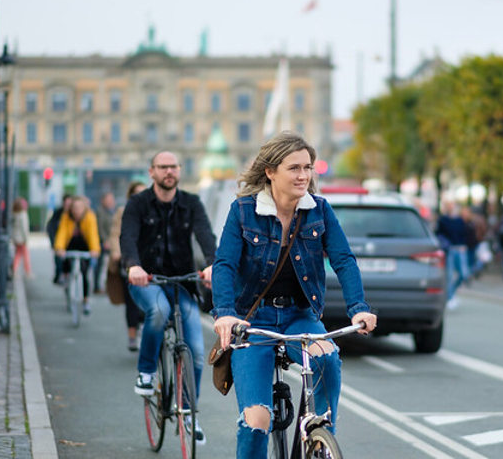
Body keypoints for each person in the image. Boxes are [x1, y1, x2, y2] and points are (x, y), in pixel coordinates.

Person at [211, 132, 377, 459]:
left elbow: (343, 260)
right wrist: (225, 312)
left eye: (308, 167)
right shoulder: (244, 210)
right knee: (257, 420)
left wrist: (358, 308)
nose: (303, 175)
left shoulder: (319, 210)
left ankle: (318, 434)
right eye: (294, 168)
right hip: (252, 320)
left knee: (327, 355)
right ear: (270, 171)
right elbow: (225, 264)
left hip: (299, 315)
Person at [120, 151, 216, 444]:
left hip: (181, 283)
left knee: (197, 351)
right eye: (163, 167)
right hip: (146, 280)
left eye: (173, 166)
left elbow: (205, 235)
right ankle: (147, 372)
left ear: (180, 169)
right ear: (152, 172)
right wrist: (133, 265)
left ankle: (188, 411)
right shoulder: (137, 204)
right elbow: (127, 237)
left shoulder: (191, 203)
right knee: (159, 312)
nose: (169, 171)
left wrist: (213, 264)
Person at [108, 181, 146, 351]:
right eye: (136, 193)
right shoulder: (122, 212)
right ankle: (132, 335)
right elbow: (116, 234)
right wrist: (117, 253)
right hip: (128, 260)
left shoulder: (152, 211)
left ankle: (145, 329)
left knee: (148, 300)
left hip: (147, 262)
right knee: (131, 301)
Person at [54, 196, 101, 315]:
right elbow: (62, 233)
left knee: (84, 272)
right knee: (65, 259)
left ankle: (85, 300)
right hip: (71, 244)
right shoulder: (66, 217)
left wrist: (94, 250)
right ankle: (65, 276)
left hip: (84, 245)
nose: (77, 211)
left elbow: (93, 234)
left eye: (79, 208)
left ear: (84, 208)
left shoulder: (90, 217)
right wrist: (59, 248)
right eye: (74, 208)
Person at [436, 202, 470, 309]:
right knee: (449, 275)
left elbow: (464, 234)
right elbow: (439, 234)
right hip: (449, 250)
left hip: (460, 249)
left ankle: (451, 293)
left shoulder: (459, 220)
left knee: (463, 274)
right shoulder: (443, 220)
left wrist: (464, 245)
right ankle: (450, 297)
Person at [94, 192, 116, 294]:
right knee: (100, 265)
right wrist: (105, 240)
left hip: (112, 242)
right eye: (108, 200)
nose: (110, 202)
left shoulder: (113, 211)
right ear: (103, 201)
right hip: (103, 242)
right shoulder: (100, 212)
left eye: (111, 200)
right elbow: (100, 228)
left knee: (110, 266)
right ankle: (97, 286)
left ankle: (109, 286)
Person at [47, 194, 72, 285]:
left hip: (70, 242)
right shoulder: (58, 213)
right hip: (59, 240)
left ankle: (67, 274)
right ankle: (59, 275)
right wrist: (54, 242)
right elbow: (51, 227)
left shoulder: (74, 213)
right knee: (59, 259)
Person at [11, 197, 32, 279]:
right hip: (22, 239)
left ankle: (14, 270)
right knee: (26, 256)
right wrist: (26, 239)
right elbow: (25, 228)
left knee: (18, 255)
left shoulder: (14, 214)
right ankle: (28, 271)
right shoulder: (23, 214)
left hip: (16, 238)